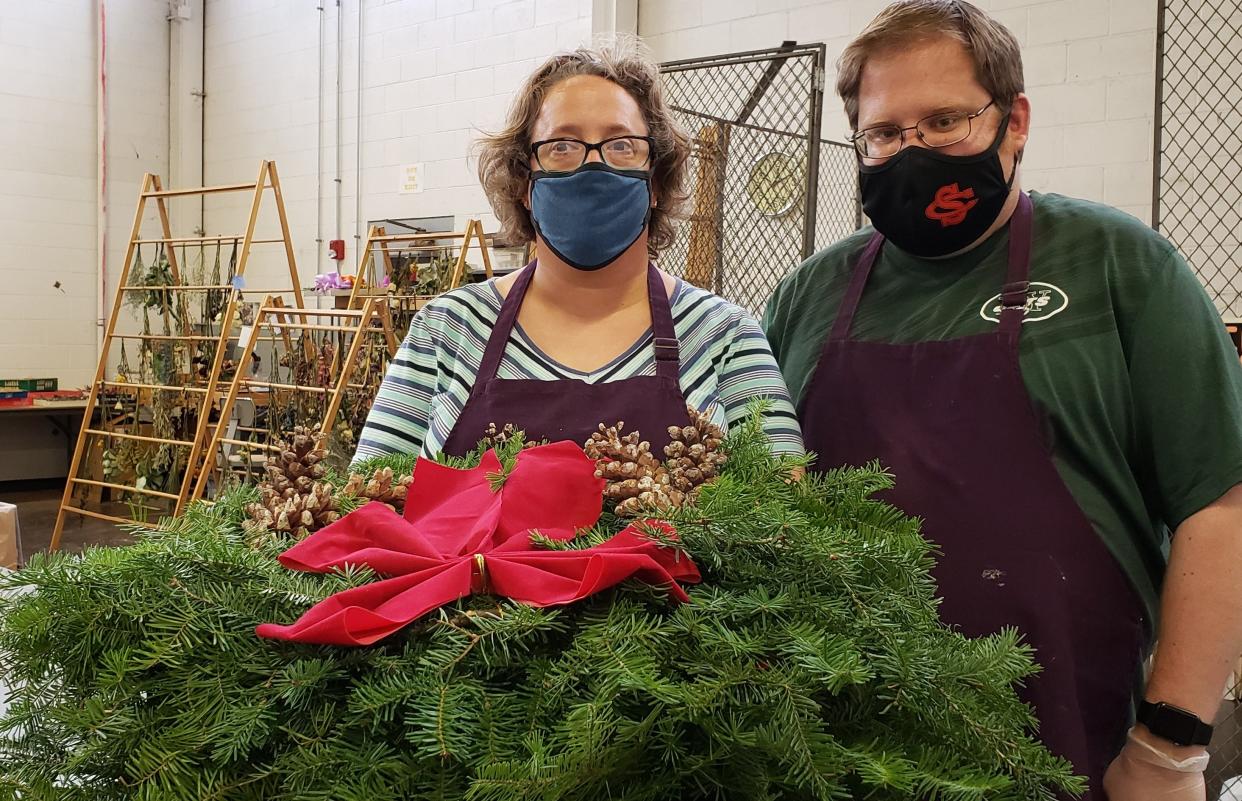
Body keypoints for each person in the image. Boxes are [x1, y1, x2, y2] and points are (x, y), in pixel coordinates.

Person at [762, 2, 1242, 799]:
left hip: (1076, 743)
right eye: (886, 133)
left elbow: (1219, 503)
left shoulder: (1121, 265)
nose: (912, 152)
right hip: (833, 745)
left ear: (1014, 121)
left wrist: (1172, 744)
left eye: (944, 121)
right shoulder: (808, 295)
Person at [354, 39, 802, 467]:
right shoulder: (447, 329)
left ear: (657, 184)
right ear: (523, 184)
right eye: (561, 146)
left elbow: (785, 520)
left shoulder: (724, 334)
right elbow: (365, 509)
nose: (593, 164)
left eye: (622, 145)